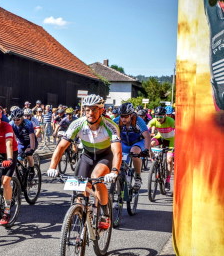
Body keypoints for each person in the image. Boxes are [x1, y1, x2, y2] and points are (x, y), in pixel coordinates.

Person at [47, 94, 122, 230]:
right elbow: (61, 146)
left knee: (96, 178)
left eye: (94, 109)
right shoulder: (77, 124)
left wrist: (114, 171)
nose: (90, 113)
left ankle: (105, 213)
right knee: (80, 188)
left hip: (105, 156)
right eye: (87, 110)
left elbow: (117, 152)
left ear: (101, 110)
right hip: (87, 156)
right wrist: (52, 167)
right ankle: (82, 215)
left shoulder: (110, 126)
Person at [113, 102, 151, 190]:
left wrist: (146, 149)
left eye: (126, 116)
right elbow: (109, 134)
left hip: (137, 142)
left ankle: (138, 177)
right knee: (119, 160)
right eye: (121, 116)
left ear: (131, 115)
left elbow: (147, 136)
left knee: (134, 153)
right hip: (124, 143)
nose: (123, 119)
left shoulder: (138, 121)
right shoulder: (116, 121)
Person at [147, 106, 175, 190]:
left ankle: (167, 181)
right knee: (150, 144)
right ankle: (153, 158)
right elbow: (145, 130)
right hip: (161, 137)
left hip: (171, 140)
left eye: (161, 116)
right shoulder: (154, 121)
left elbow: (178, 130)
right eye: (157, 116)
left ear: (165, 115)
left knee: (169, 160)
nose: (158, 119)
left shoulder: (171, 121)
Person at [9, 107, 37, 179]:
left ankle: (31, 169)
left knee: (28, 154)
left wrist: (31, 148)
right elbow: (11, 136)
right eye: (14, 120)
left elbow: (32, 137)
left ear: (22, 118)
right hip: (21, 142)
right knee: (18, 158)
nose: (16, 121)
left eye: (18, 119)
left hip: (30, 142)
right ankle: (20, 175)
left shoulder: (28, 123)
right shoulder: (11, 124)